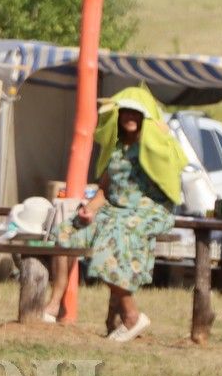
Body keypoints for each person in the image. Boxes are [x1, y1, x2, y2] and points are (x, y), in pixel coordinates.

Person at [43, 87, 187, 341]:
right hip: (114, 207)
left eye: (136, 112)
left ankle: (131, 316)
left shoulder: (157, 144)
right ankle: (55, 305)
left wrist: (160, 134)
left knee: (109, 241)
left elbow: (176, 165)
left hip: (147, 210)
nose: (130, 116)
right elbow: (106, 189)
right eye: (125, 111)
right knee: (65, 231)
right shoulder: (117, 147)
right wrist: (88, 210)